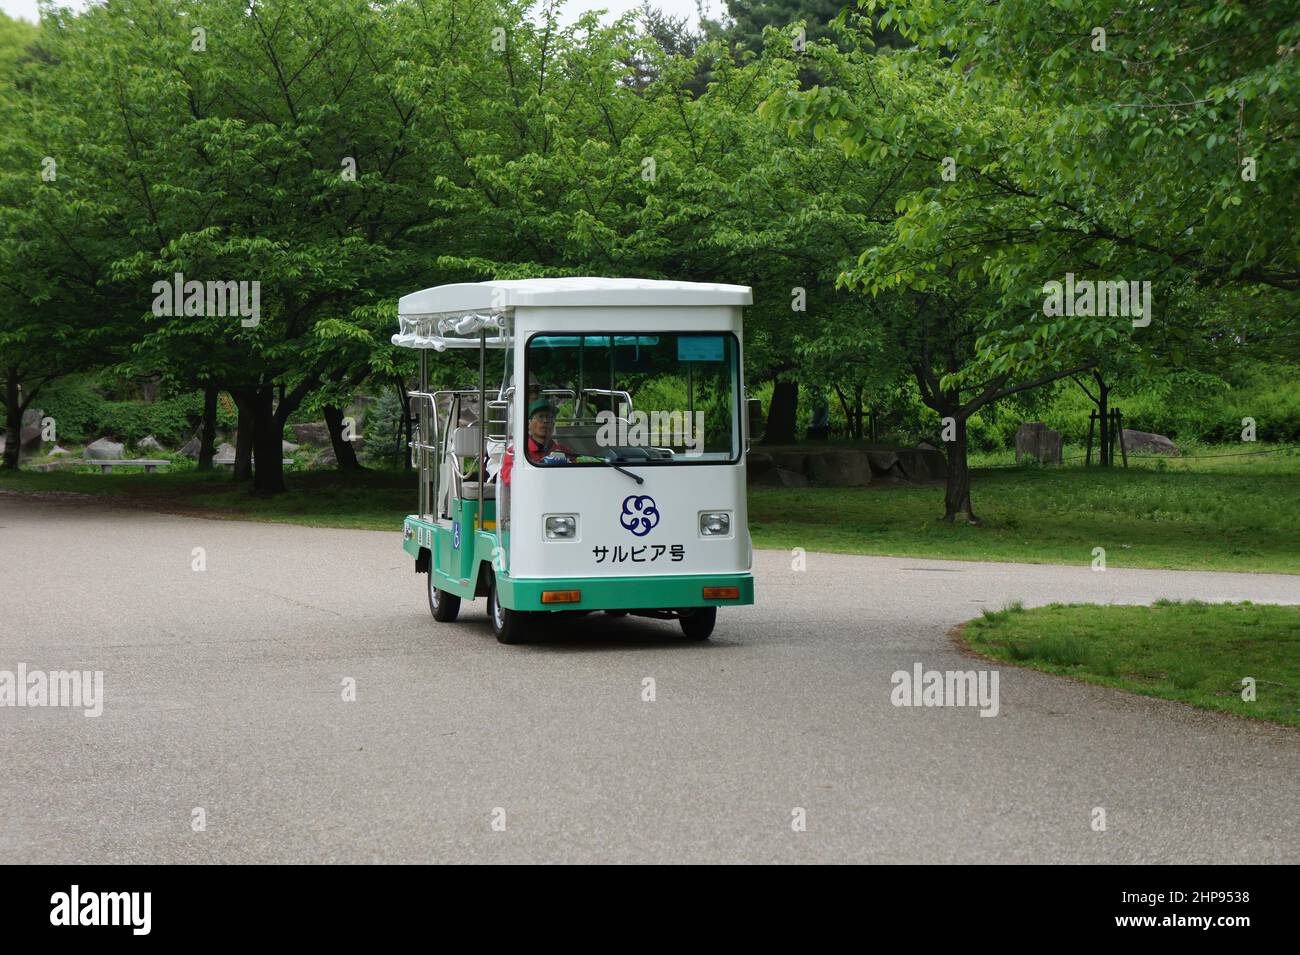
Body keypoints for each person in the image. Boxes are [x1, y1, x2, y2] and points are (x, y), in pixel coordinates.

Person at [500, 399, 577, 486]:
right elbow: (509, 480)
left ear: (553, 424)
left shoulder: (565, 451)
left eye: (549, 417)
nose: (545, 421)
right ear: (529, 423)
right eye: (540, 417)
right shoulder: (514, 453)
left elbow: (575, 478)